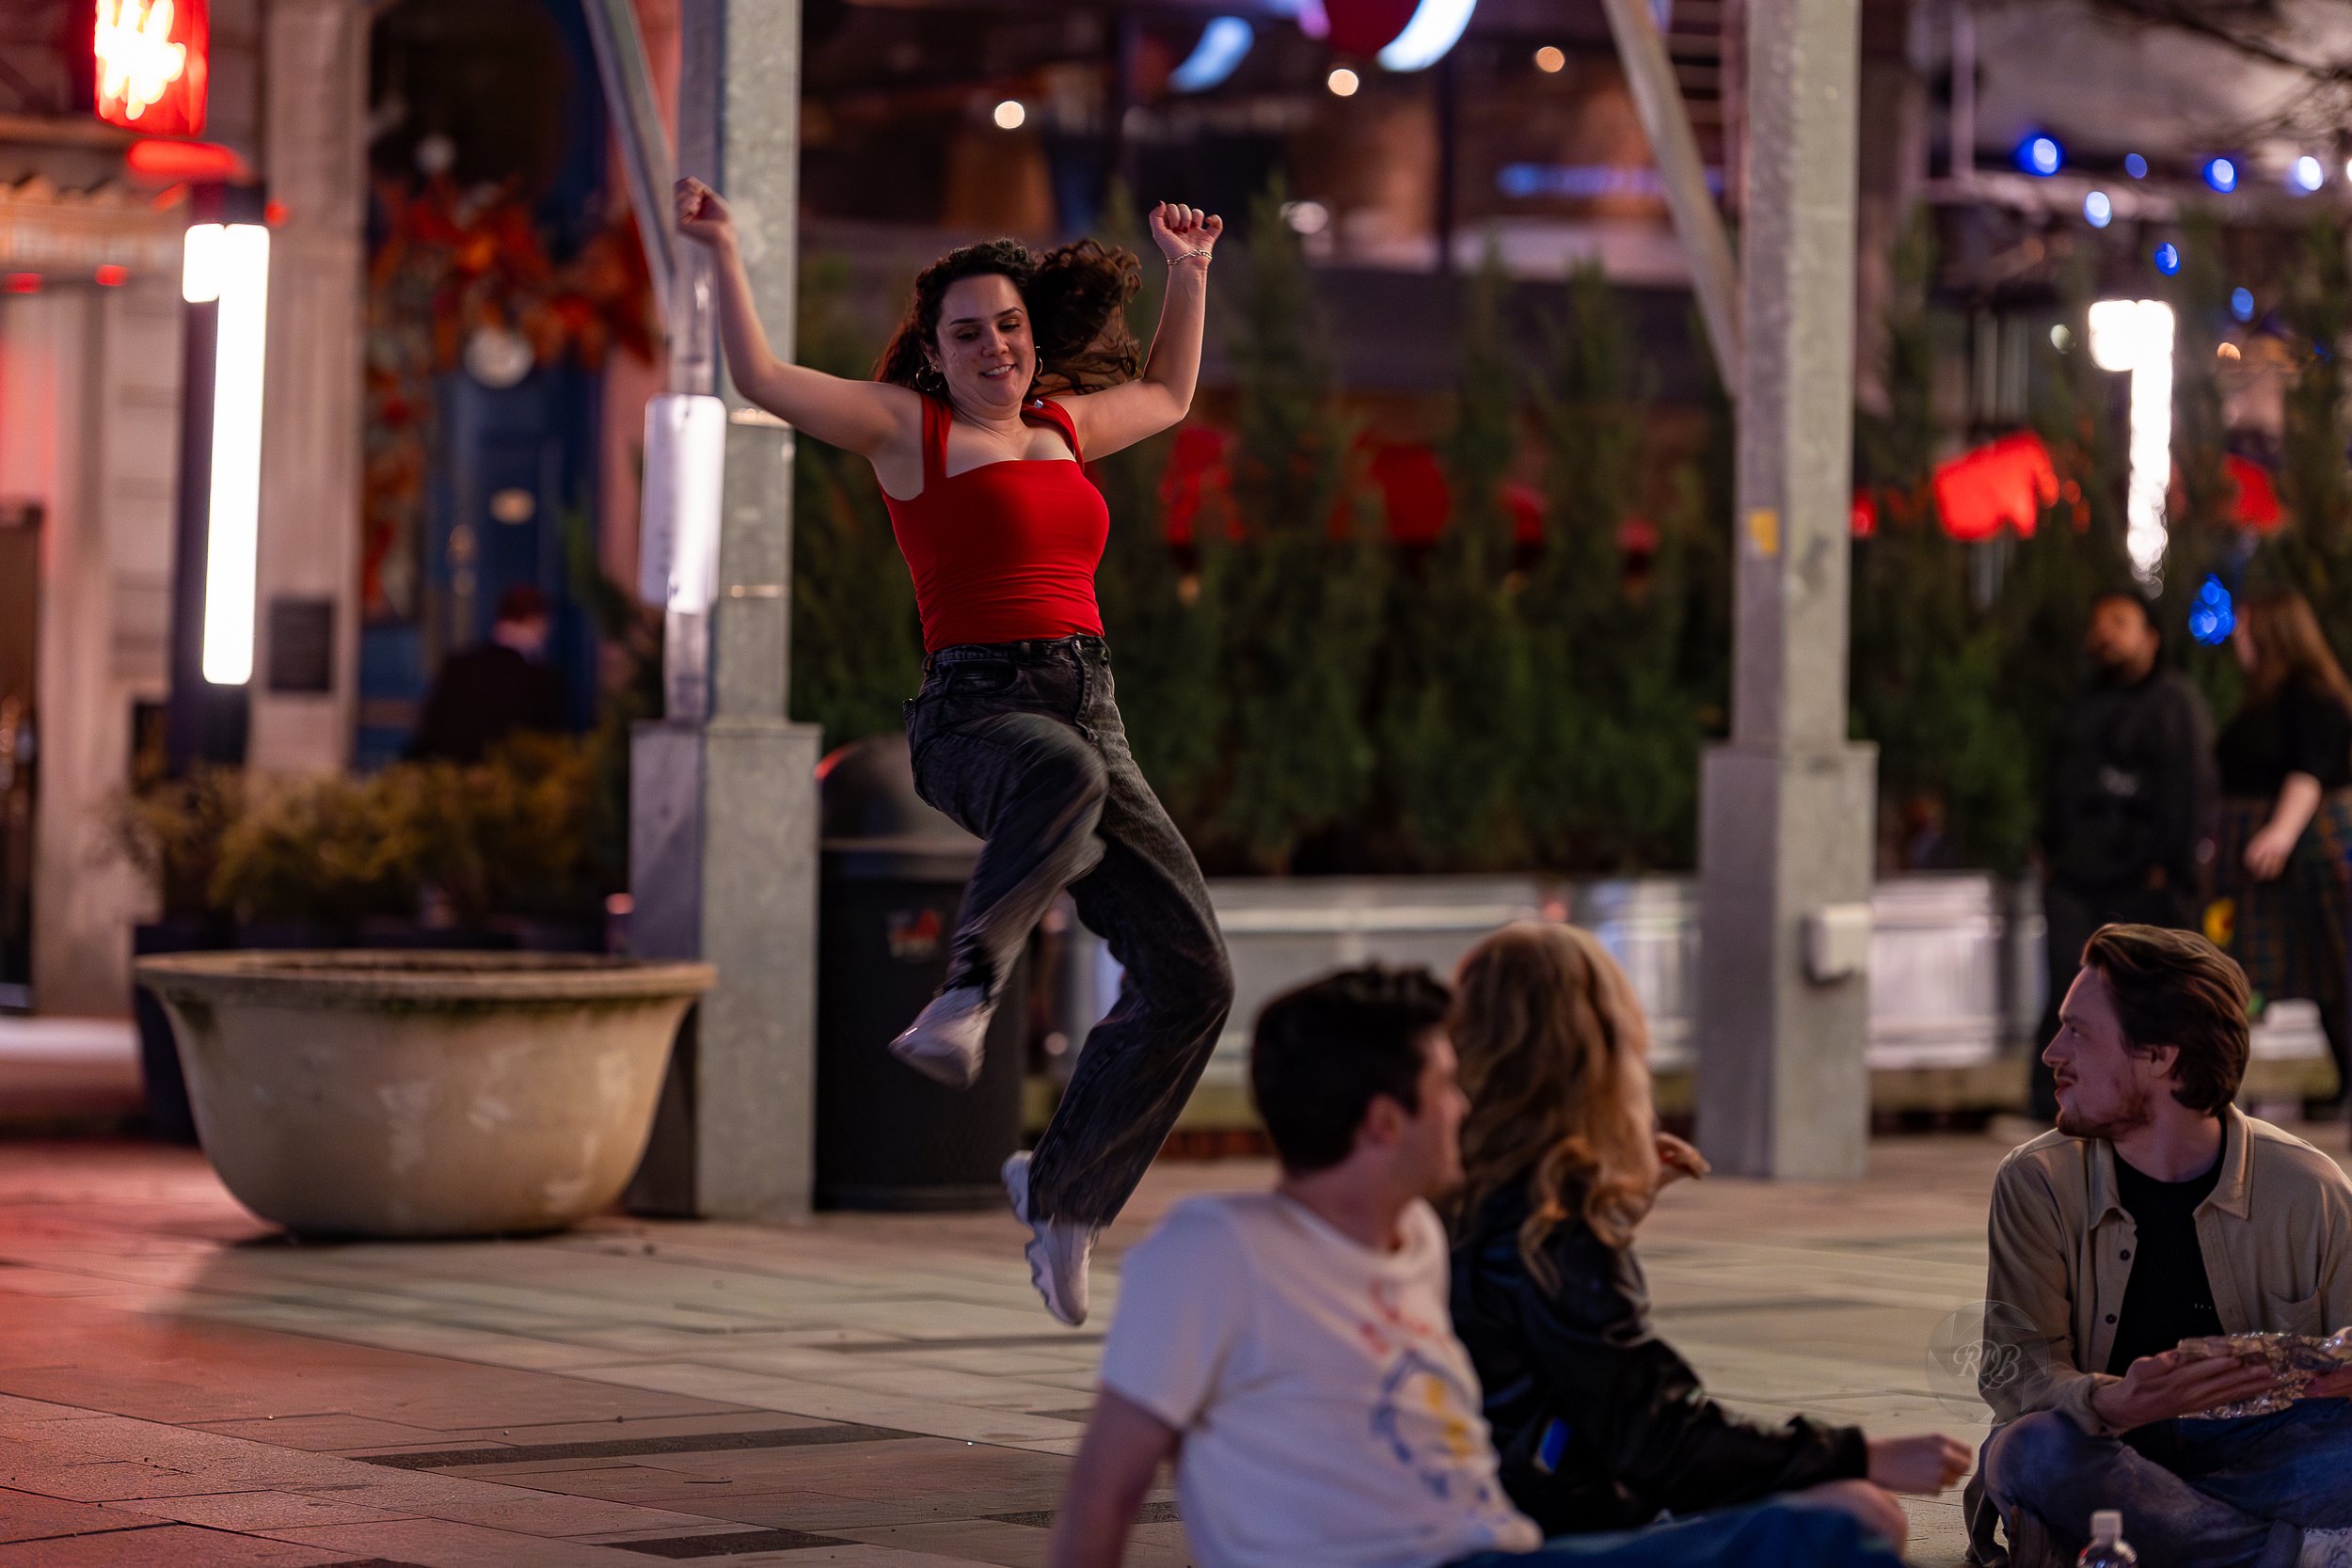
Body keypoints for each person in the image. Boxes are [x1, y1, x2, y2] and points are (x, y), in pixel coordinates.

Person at [675, 177, 1234, 1325]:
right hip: (975, 714)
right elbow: (764, 380)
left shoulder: (1066, 429)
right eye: (969, 333)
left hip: (1092, 706)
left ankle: (1064, 1190)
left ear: (1033, 339)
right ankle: (968, 990)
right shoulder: (908, 430)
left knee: (1194, 974)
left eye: (1011, 327)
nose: (996, 348)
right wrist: (725, 249)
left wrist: (1189, 275)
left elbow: (1171, 392)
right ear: (935, 352)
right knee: (1060, 774)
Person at [1048, 966, 1908, 1568]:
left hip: (1502, 1549)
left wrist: (1617, 1208)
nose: (1465, 1105)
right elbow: (1104, 1487)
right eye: (1447, 1086)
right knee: (1828, 1539)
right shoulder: (1216, 1250)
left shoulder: (1417, 1240)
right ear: (1386, 1121)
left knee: (1843, 1521)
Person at [1446, 923, 1969, 1548]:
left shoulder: (1446, 1191)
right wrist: (1859, 1453)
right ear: (1600, 1050)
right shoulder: (1549, 1223)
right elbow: (1660, 1435)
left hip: (1486, 1504)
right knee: (1856, 1515)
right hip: (1536, 1528)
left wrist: (1609, 1228)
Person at [1970, 923, 2352, 1568]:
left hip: (2260, 1455)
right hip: (2112, 1450)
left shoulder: (2309, 1186)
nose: (2052, 1052)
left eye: (2079, 1031)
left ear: (2161, 1055)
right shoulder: (2037, 1180)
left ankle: (2141, 1546)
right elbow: (2014, 1373)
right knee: (2028, 1450)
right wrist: (2114, 1398)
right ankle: (2286, 1551)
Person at [2032, 590, 2217, 1121]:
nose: (2105, 633)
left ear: (2150, 637)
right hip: (2077, 875)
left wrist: (2170, 867)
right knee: (2071, 984)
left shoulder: (2174, 705)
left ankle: (2156, 1096)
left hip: (2145, 878)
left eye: (2119, 621)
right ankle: (2055, 1098)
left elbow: (2189, 792)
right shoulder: (2081, 704)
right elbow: (2058, 781)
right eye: (2099, 623)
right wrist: (2049, 846)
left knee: (2146, 994)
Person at [2213, 588, 2352, 1117]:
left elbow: (2310, 768)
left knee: (2336, 969)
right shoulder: (2265, 697)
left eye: (2245, 627)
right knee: (2292, 973)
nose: (2236, 638)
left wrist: (2280, 833)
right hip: (2270, 846)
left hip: (2309, 846)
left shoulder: (2309, 694)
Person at [408, 585, 567, 763]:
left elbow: (430, 731)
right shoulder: (539, 680)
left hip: (451, 777)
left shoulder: (459, 665)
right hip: (506, 783)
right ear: (535, 620)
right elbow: (546, 746)